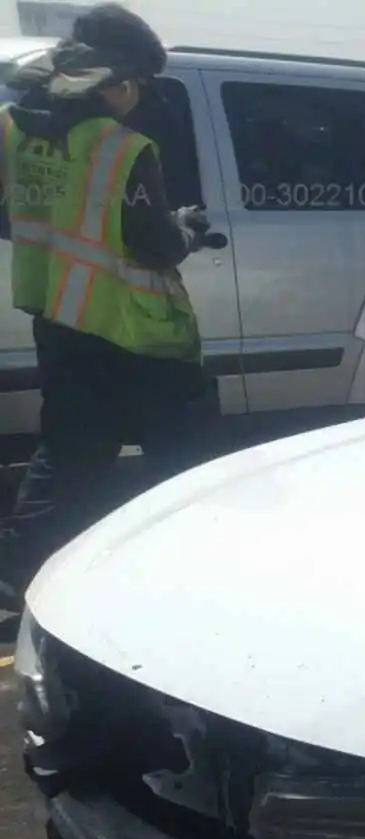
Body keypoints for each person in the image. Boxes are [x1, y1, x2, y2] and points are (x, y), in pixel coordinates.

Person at [0, 3, 216, 601]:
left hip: (59, 322)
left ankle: (25, 580)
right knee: (184, 460)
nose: (140, 98)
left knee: (67, 455)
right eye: (140, 86)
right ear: (119, 82)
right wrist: (188, 227)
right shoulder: (123, 148)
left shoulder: (11, 128)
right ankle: (182, 576)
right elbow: (156, 247)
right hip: (139, 335)